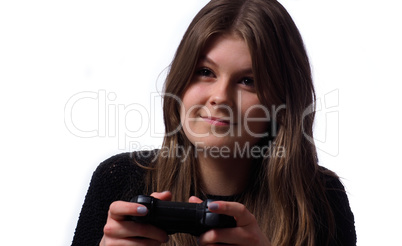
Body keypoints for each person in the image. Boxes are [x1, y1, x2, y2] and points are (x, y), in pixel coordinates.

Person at [71, 0, 356, 245]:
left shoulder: (321, 197)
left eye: (248, 81)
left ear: (280, 104)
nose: (220, 98)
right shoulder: (118, 178)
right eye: (205, 72)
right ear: (180, 81)